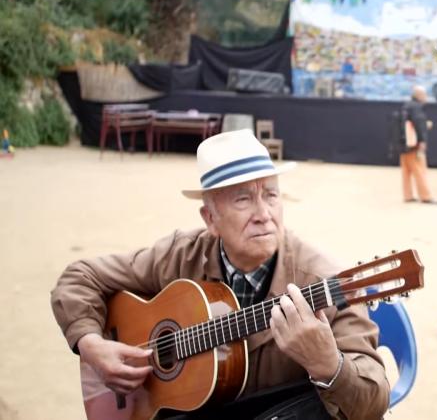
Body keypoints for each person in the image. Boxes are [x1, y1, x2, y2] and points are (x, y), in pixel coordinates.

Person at [50, 130, 390, 419]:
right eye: (243, 199)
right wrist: (91, 343)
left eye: (271, 195)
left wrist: (329, 365)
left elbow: (374, 402)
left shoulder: (323, 281)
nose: (264, 214)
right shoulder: (180, 254)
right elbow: (79, 277)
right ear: (210, 218)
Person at [400, 85, 437, 204]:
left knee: (406, 171)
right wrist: (422, 141)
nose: (426, 97)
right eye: (425, 94)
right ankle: (425, 196)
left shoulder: (406, 106)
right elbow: (419, 125)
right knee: (419, 170)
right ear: (419, 95)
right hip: (413, 144)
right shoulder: (417, 108)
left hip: (403, 143)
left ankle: (408, 195)